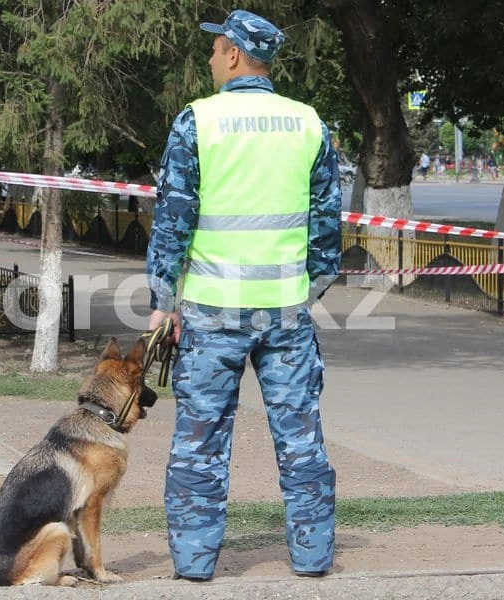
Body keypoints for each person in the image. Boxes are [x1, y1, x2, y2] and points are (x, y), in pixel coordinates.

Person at [146, 9, 341, 581]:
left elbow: (173, 221)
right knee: (301, 440)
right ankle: (312, 558)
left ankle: (194, 564)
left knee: (201, 442)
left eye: (215, 49)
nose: (210, 58)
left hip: (211, 313)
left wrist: (163, 302)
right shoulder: (308, 123)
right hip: (287, 313)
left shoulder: (198, 121)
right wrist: (307, 293)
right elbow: (327, 230)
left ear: (233, 54)